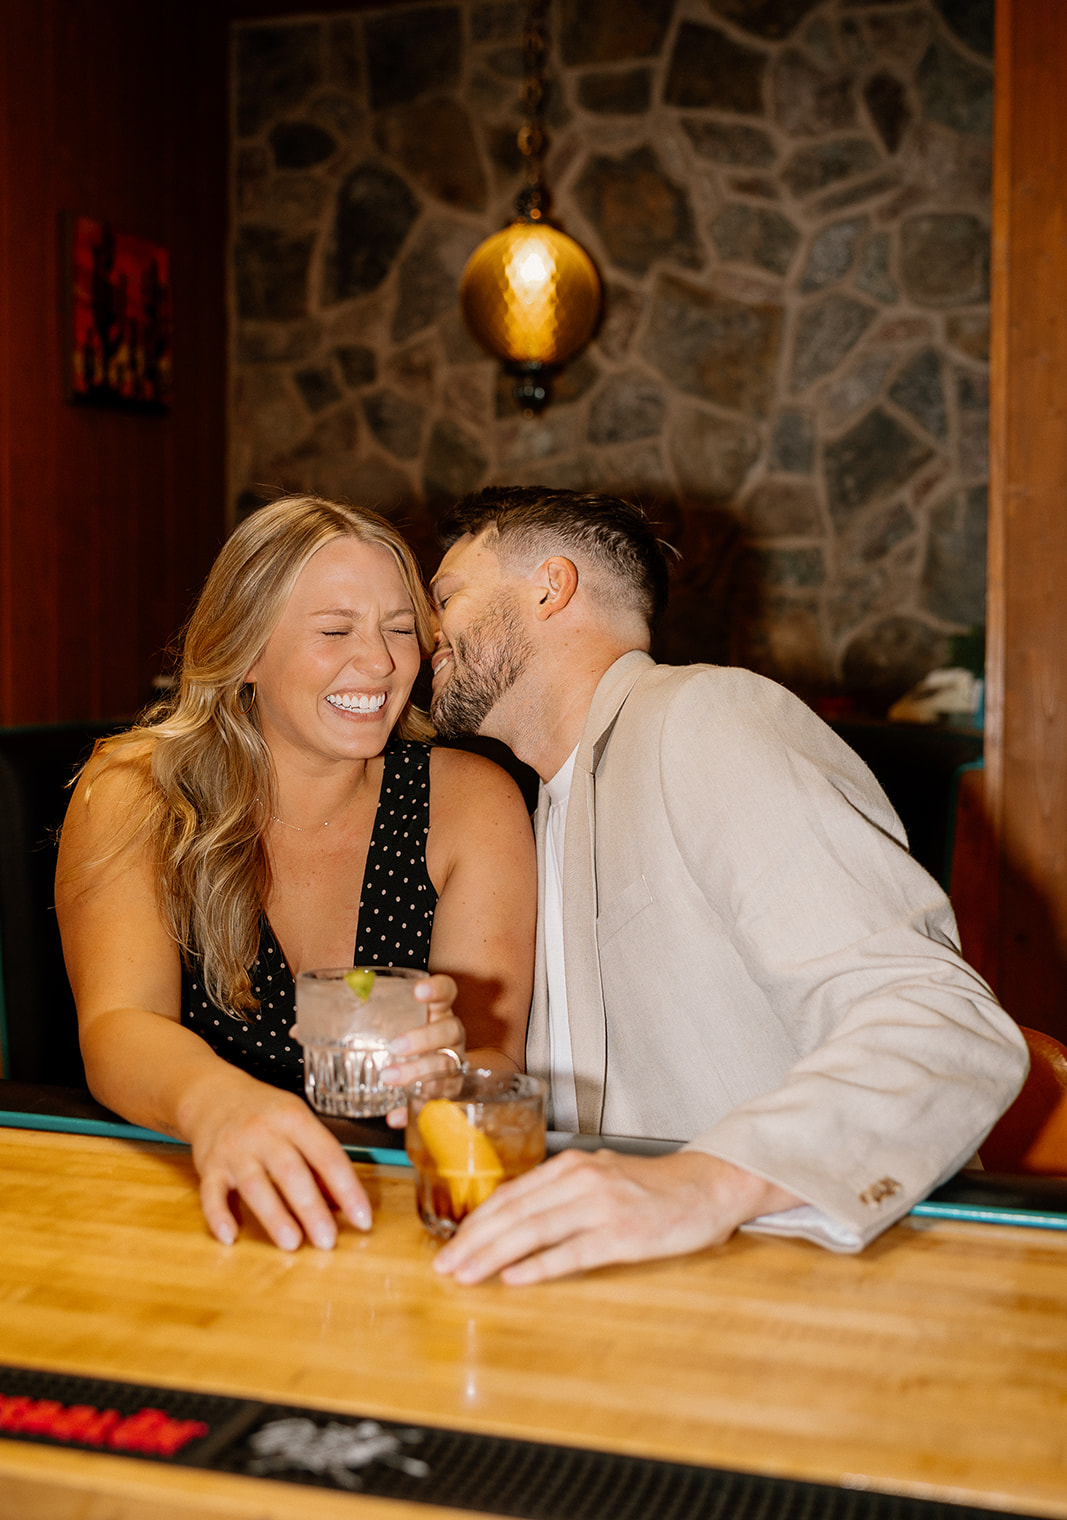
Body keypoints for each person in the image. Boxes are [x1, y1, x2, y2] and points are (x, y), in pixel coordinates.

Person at [426, 485, 1029, 1286]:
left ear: (550, 586)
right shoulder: (536, 810)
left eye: (446, 596)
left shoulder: (704, 717)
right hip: (628, 1302)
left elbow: (941, 1025)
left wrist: (699, 1183)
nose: (427, 629)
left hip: (809, 1298)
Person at [56, 496, 535, 1254]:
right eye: (335, 629)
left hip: (394, 1205)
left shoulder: (470, 801)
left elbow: (488, 1055)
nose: (379, 662)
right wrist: (219, 1106)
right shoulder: (136, 791)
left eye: (400, 628)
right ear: (245, 652)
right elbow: (118, 1026)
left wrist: (444, 1070)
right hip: (188, 1196)